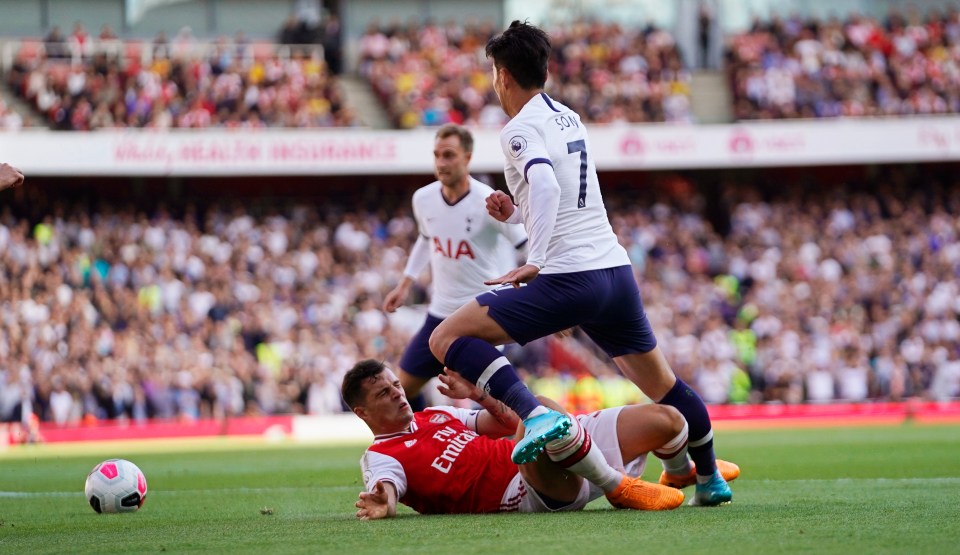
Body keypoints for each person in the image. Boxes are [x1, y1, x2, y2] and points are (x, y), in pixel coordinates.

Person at [427, 21, 737, 506]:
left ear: (503, 75)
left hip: (571, 276)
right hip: (614, 272)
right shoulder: (568, 117)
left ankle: (536, 414)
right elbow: (559, 194)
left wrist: (538, 260)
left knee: (444, 337)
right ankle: (711, 477)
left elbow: (548, 186)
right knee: (665, 385)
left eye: (493, 72)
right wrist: (518, 212)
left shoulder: (518, 129)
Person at [344, 359, 699, 519]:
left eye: (395, 384)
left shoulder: (437, 415)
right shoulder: (381, 455)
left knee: (666, 419)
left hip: (553, 451)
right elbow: (385, 488)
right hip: (525, 489)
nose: (396, 392)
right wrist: (384, 503)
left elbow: (509, 422)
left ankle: (679, 473)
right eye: (383, 394)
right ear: (362, 413)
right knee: (541, 409)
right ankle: (618, 487)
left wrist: (479, 395)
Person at [383, 124, 527, 407]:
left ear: (467, 158)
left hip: (480, 316)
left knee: (494, 403)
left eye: (449, 155)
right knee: (402, 389)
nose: (441, 163)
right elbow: (426, 239)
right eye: (437, 155)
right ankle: (422, 445)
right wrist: (405, 283)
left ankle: (510, 443)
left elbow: (525, 245)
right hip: (439, 315)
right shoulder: (423, 199)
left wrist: (546, 293)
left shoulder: (488, 202)